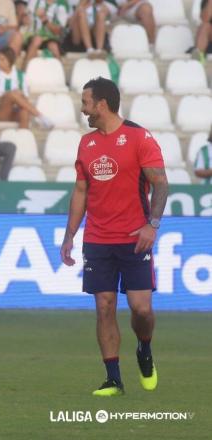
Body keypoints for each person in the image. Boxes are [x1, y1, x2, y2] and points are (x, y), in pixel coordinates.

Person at [60, 77, 168, 396]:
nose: (83, 110)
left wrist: (153, 224)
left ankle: (144, 349)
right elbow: (81, 191)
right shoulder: (87, 144)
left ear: (102, 105)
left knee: (142, 309)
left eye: (86, 103)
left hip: (135, 237)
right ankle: (113, 379)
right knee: (104, 306)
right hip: (97, 238)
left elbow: (161, 184)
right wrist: (69, 236)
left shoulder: (139, 137)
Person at [0, 47, 53, 129]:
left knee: (24, 111)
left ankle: (23, 138)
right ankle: (41, 116)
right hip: (0, 112)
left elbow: (25, 99)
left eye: (2, 59)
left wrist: (20, 94)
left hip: (15, 112)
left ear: (9, 60)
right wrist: (5, 96)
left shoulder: (21, 76)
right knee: (11, 94)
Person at [22, 0, 68, 68]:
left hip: (51, 38)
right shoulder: (34, 1)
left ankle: (60, 74)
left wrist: (44, 19)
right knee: (37, 40)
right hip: (32, 35)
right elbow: (24, 18)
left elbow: (58, 31)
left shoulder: (62, 4)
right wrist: (25, 18)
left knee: (54, 47)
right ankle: (24, 72)